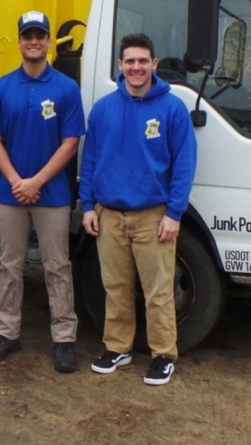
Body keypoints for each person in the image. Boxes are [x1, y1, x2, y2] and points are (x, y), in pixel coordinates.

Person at [81, 33, 197, 386]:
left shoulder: (172, 108)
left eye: (142, 61)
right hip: (109, 214)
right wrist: (88, 206)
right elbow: (89, 160)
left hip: (153, 215)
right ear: (120, 65)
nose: (136, 67)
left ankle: (163, 354)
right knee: (115, 286)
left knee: (158, 290)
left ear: (154, 64)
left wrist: (174, 213)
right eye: (129, 61)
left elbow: (185, 163)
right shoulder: (103, 108)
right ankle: (118, 348)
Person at [0, 11, 85, 372]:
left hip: (52, 194)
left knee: (57, 265)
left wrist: (37, 181)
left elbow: (71, 142)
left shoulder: (66, 89)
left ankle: (65, 339)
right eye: (28, 35)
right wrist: (15, 181)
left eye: (40, 35)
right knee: (9, 264)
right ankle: (6, 333)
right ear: (20, 40)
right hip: (11, 192)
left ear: (47, 41)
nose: (34, 41)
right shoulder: (1, 87)